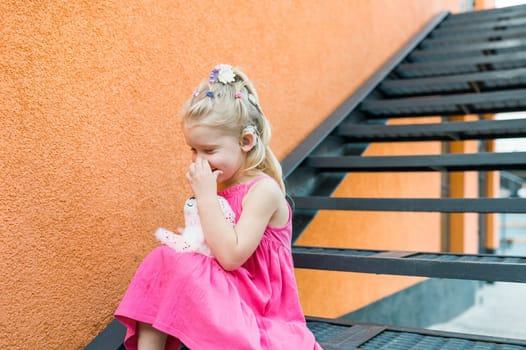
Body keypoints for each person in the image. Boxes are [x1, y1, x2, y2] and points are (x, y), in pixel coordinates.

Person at [115, 64, 322, 350]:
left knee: (179, 263)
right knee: (162, 259)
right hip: (225, 298)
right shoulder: (220, 186)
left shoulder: (264, 191)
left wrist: (206, 198)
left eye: (209, 151)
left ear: (246, 141)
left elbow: (230, 257)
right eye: (193, 150)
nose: (198, 160)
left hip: (256, 311)